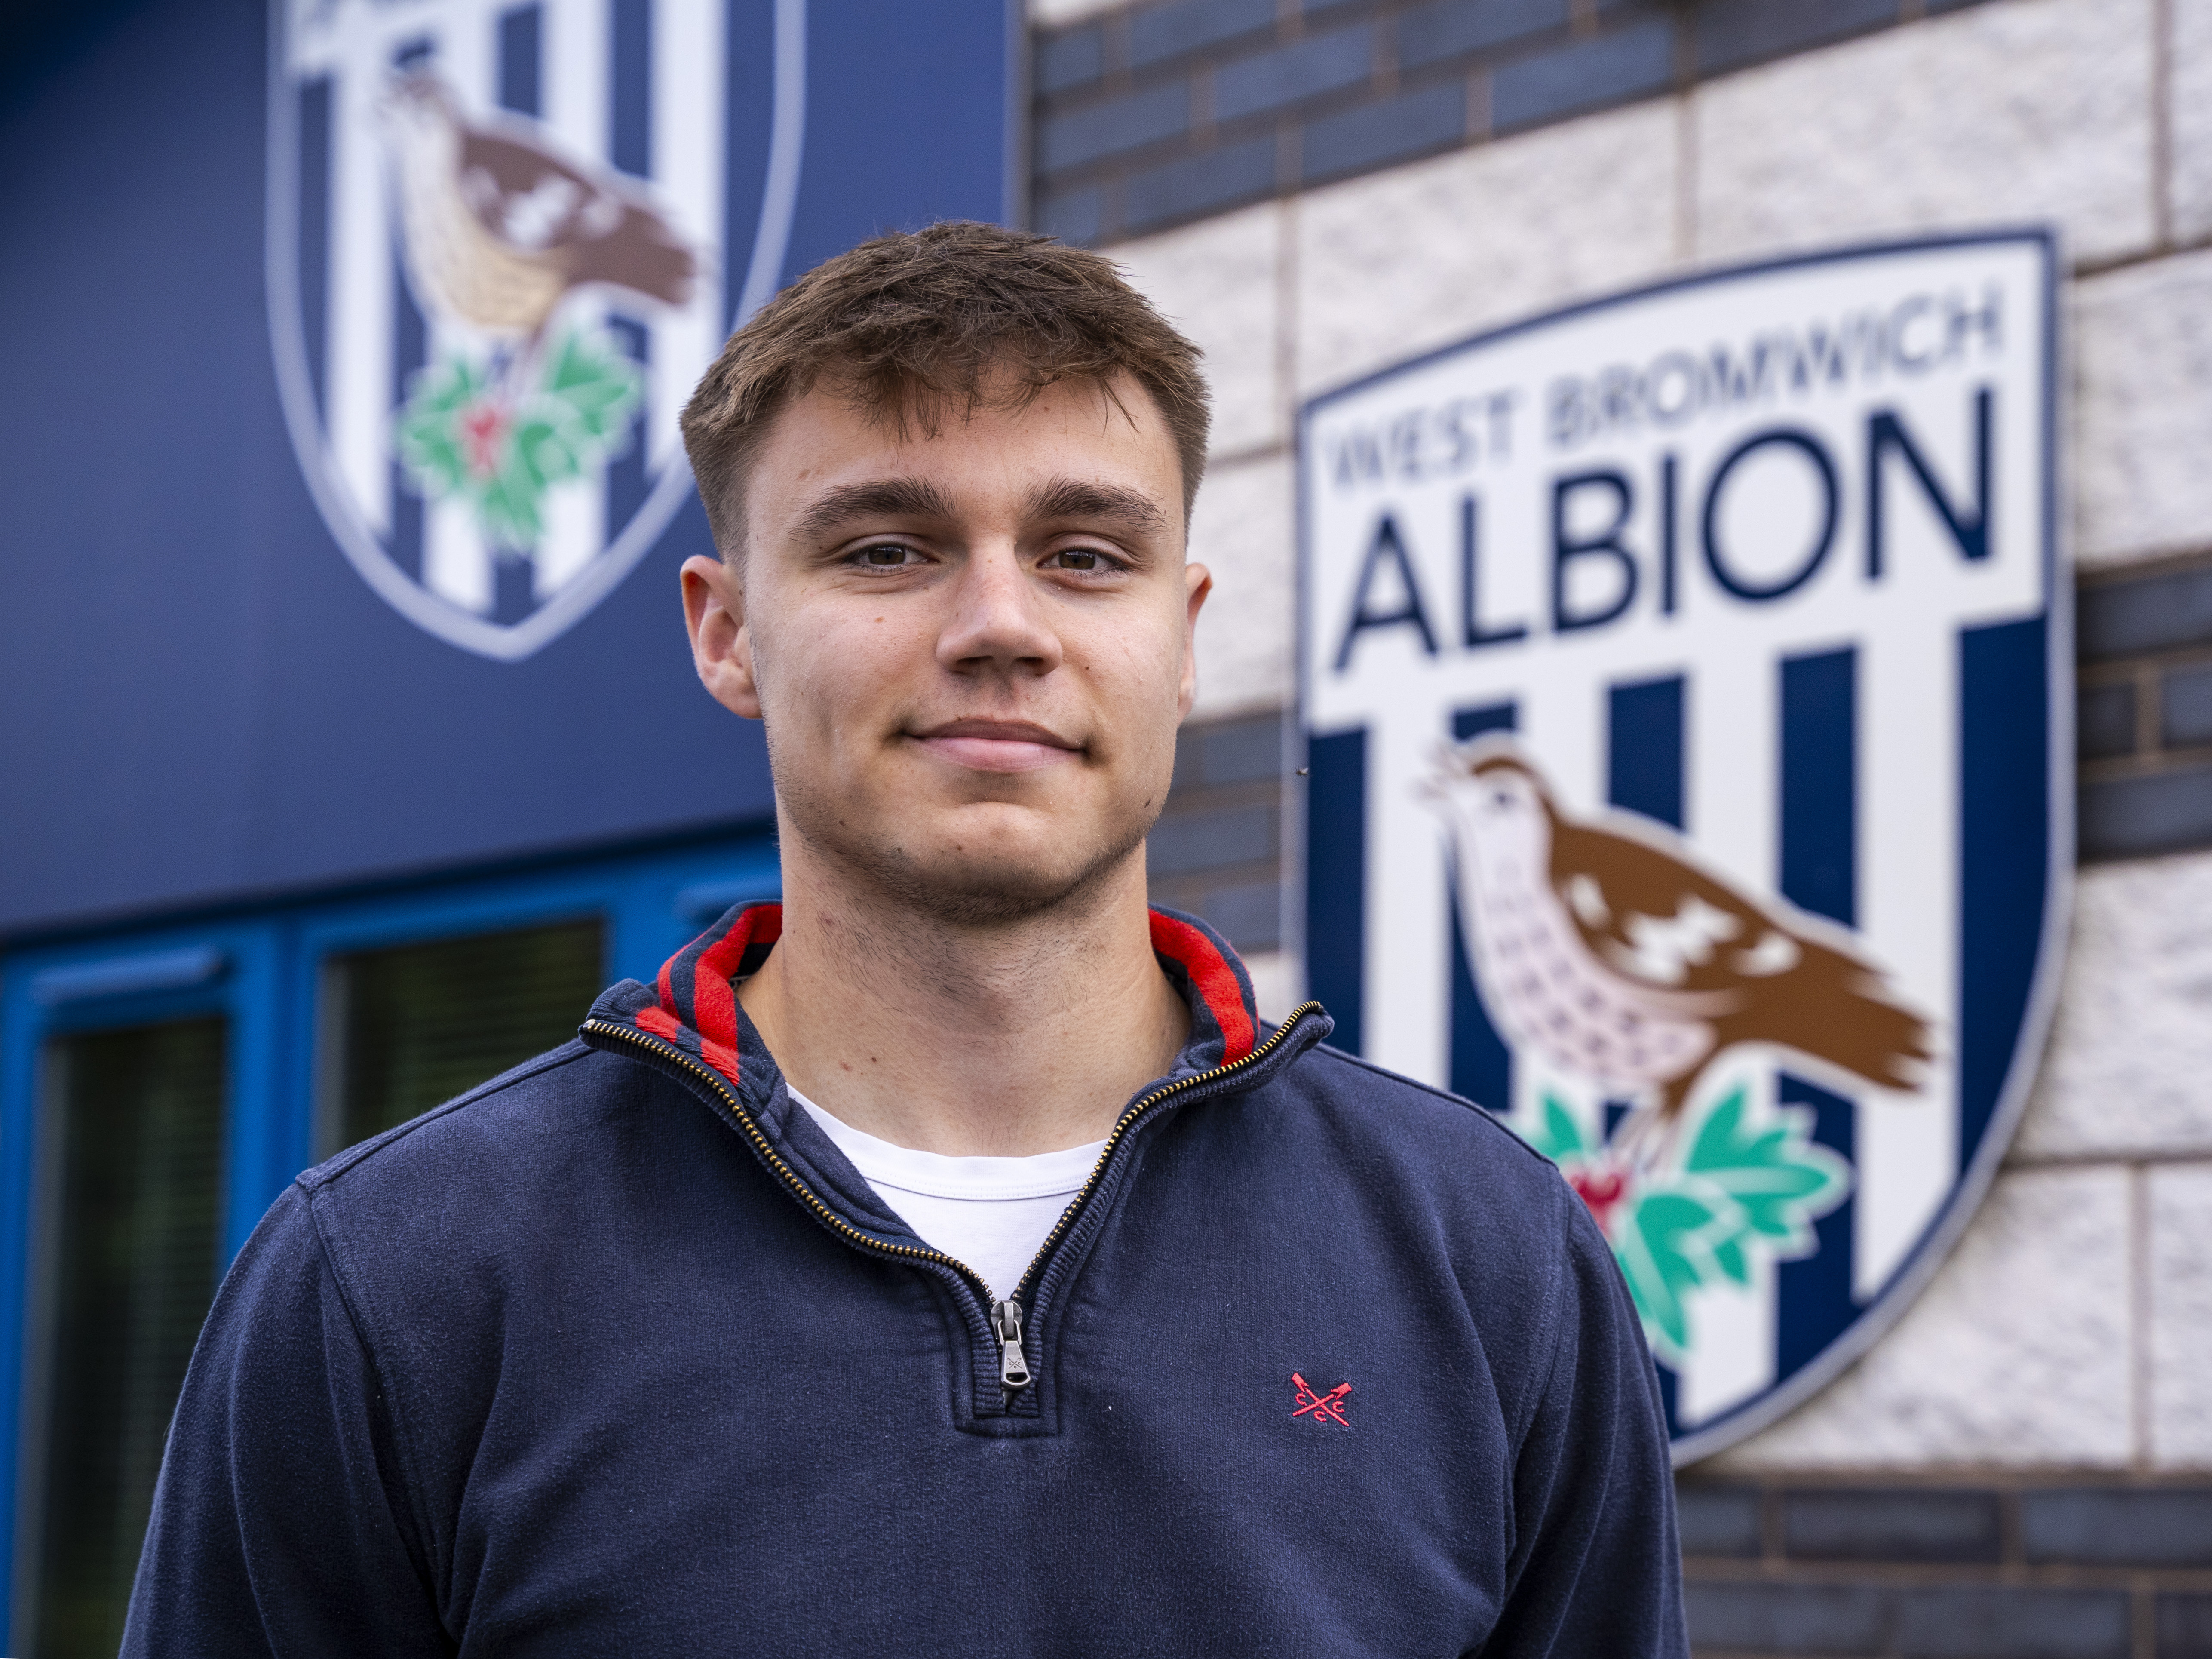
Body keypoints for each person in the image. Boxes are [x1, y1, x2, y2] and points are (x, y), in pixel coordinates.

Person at [125, 221, 1687, 1656]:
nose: (1000, 623)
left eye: (1086, 553)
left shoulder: (1490, 1257)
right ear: (726, 629)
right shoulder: (398, 1280)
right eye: (885, 548)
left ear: (1185, 631)